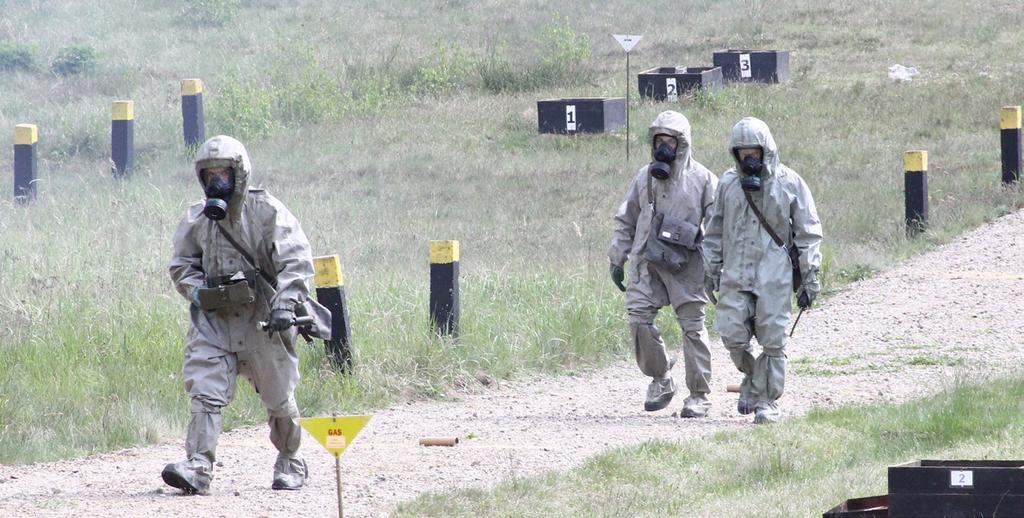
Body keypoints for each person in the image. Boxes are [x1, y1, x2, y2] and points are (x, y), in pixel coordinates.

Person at [163, 135, 331, 493]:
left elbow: (296, 261)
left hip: (263, 317)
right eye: (209, 174)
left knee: (278, 396)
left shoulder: (267, 211)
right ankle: (198, 467)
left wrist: (286, 305)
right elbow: (181, 265)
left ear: (240, 173)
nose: (216, 181)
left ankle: (291, 460)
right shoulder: (196, 218)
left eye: (223, 172)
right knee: (204, 390)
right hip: (212, 319)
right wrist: (198, 292)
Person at [703, 117, 822, 424]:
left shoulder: (790, 183)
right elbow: (714, 230)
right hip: (735, 271)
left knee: (773, 338)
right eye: (743, 152)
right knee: (731, 333)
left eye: (754, 151)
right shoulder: (728, 184)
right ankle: (753, 379)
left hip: (775, 273)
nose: (749, 157)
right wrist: (710, 268)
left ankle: (766, 401)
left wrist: (810, 276)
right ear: (735, 153)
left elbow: (809, 232)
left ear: (765, 149)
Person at [608, 110, 719, 417]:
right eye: (659, 141)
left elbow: (721, 228)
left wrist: (716, 268)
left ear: (682, 144)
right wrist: (618, 256)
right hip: (648, 262)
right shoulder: (644, 177)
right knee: (637, 319)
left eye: (670, 141)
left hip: (689, 266)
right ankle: (661, 377)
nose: (664, 148)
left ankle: (699, 395)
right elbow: (626, 218)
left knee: (693, 329)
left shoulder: (705, 181)